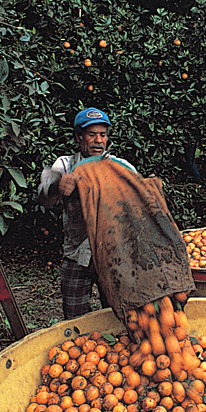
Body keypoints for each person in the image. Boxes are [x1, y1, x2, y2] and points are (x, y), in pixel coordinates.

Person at [38, 107, 137, 319]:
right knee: (74, 317)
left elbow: (139, 199)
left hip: (113, 256)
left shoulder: (120, 167)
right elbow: (44, 193)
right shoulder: (65, 165)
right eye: (92, 135)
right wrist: (58, 185)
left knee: (118, 315)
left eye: (102, 135)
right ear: (79, 137)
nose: (98, 141)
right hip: (77, 254)